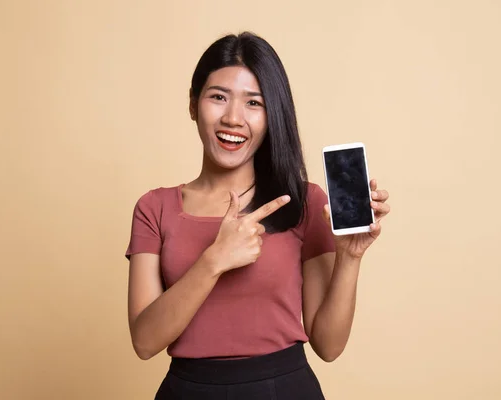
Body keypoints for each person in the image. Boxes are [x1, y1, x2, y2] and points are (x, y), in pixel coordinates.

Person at [125, 32, 391, 400]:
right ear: (193, 104)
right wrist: (213, 261)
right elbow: (144, 341)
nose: (233, 118)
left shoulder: (303, 202)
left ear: (272, 116)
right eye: (218, 97)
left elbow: (329, 346)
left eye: (254, 103)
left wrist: (350, 258)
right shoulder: (154, 208)